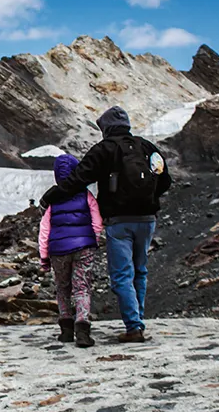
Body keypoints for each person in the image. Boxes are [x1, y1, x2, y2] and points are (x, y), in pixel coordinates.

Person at [41, 106, 171, 343]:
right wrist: (149, 199)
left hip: (118, 221)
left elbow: (79, 179)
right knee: (140, 271)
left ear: (106, 128)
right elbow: (165, 179)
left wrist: (51, 196)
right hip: (147, 219)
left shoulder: (104, 149)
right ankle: (137, 320)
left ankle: (134, 327)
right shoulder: (147, 147)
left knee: (122, 274)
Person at [39, 154, 104, 348]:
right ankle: (82, 329)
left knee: (62, 287)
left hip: (58, 250)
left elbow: (44, 230)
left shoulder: (53, 200)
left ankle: (66, 329)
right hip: (84, 247)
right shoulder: (86, 195)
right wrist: (93, 240)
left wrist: (44, 257)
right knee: (82, 287)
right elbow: (97, 221)